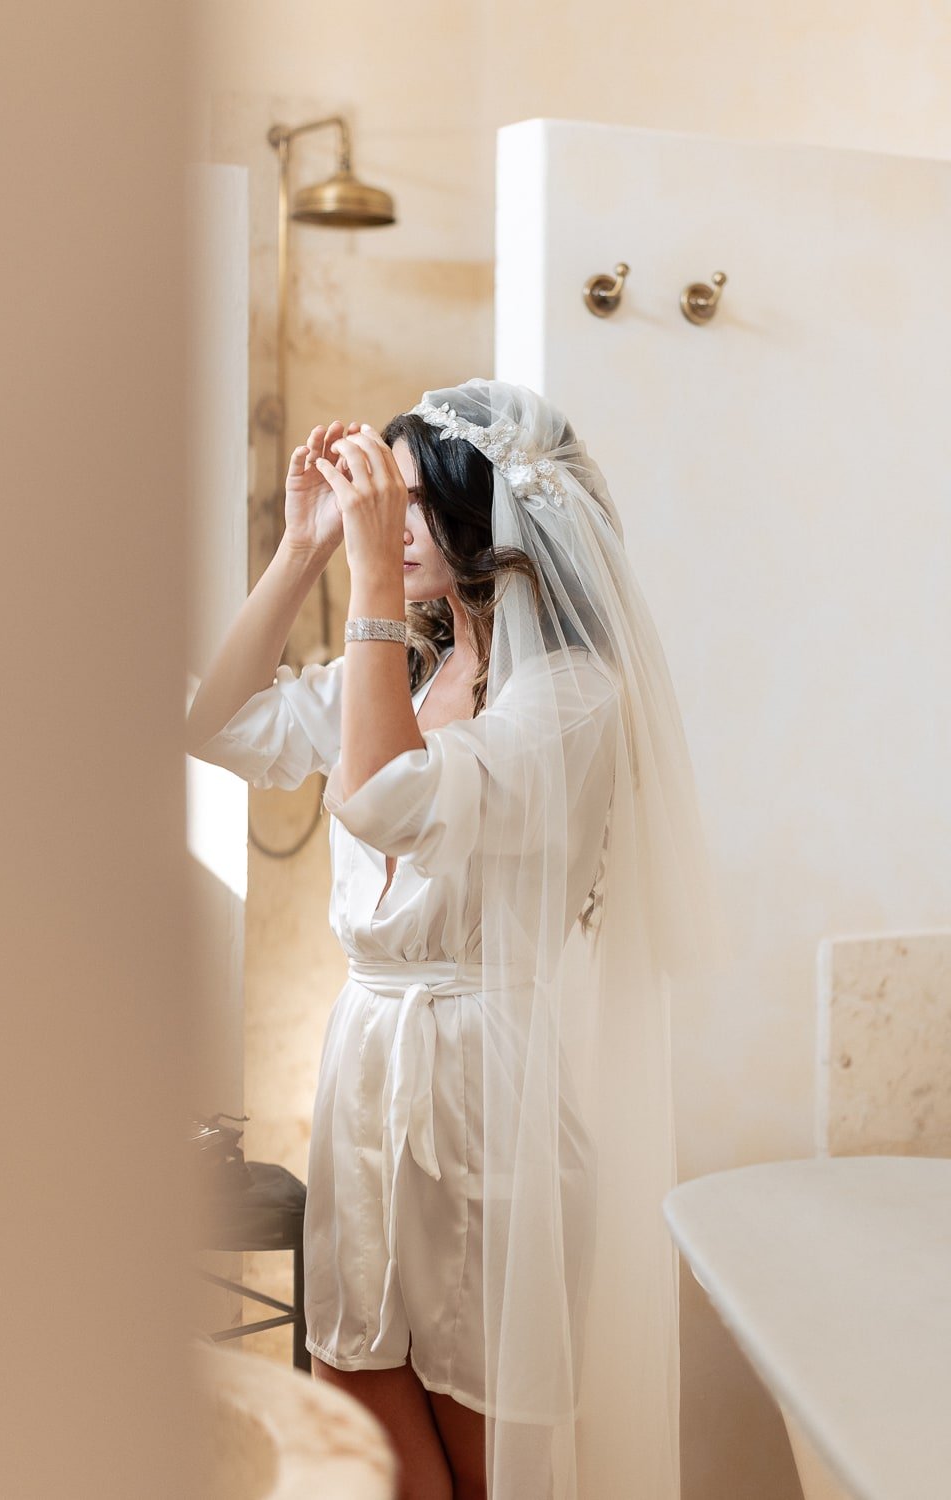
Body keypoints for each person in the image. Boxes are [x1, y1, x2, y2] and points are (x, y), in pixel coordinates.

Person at [186, 379, 729, 1500]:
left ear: (492, 527)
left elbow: (382, 799)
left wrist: (372, 578)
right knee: (359, 1412)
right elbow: (217, 727)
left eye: (412, 508)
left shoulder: (575, 699)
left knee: (492, 1460)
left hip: (492, 1101)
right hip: (368, 1074)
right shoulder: (417, 674)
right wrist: (301, 552)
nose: (392, 528)